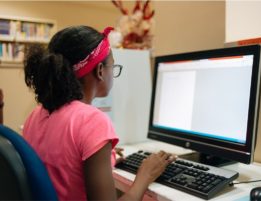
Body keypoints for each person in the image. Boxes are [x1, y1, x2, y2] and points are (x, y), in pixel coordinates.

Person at [22, 25, 176, 201]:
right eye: (113, 67)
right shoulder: (93, 121)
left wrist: (102, 158)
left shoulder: (35, 114)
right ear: (100, 71)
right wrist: (145, 175)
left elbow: (64, 164)